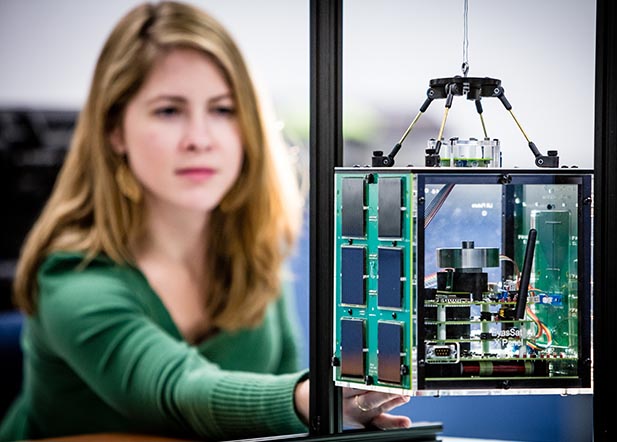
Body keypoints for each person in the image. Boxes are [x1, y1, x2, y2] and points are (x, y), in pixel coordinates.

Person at [0, 2, 411, 440]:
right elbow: (176, 391)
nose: (199, 139)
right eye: (169, 111)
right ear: (114, 129)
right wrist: (311, 399)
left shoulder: (251, 248)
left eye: (222, 110)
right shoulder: (72, 276)